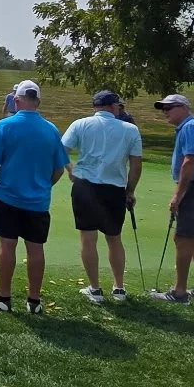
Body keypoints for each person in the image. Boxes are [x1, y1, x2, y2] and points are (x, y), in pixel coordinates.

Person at [0, 81, 68, 314]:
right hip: (38, 202)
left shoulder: (4, 126)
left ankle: (3, 299)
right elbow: (59, 169)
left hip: (6, 197)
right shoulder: (51, 130)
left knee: (6, 245)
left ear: (16, 101)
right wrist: (44, 186)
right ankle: (34, 302)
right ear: (38, 102)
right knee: (35, 249)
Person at [61, 89, 143, 301]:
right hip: (114, 190)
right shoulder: (130, 129)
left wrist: (71, 170)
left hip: (84, 187)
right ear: (113, 106)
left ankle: (95, 289)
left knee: (88, 238)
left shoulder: (80, 124)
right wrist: (130, 190)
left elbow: (60, 150)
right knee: (114, 238)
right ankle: (119, 288)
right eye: (118, 106)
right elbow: (136, 164)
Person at [152, 94, 194, 303]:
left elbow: (190, 161)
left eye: (169, 108)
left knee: (183, 238)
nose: (165, 112)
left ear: (183, 107)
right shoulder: (188, 128)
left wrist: (178, 195)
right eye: (163, 109)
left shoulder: (191, 127)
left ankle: (179, 292)